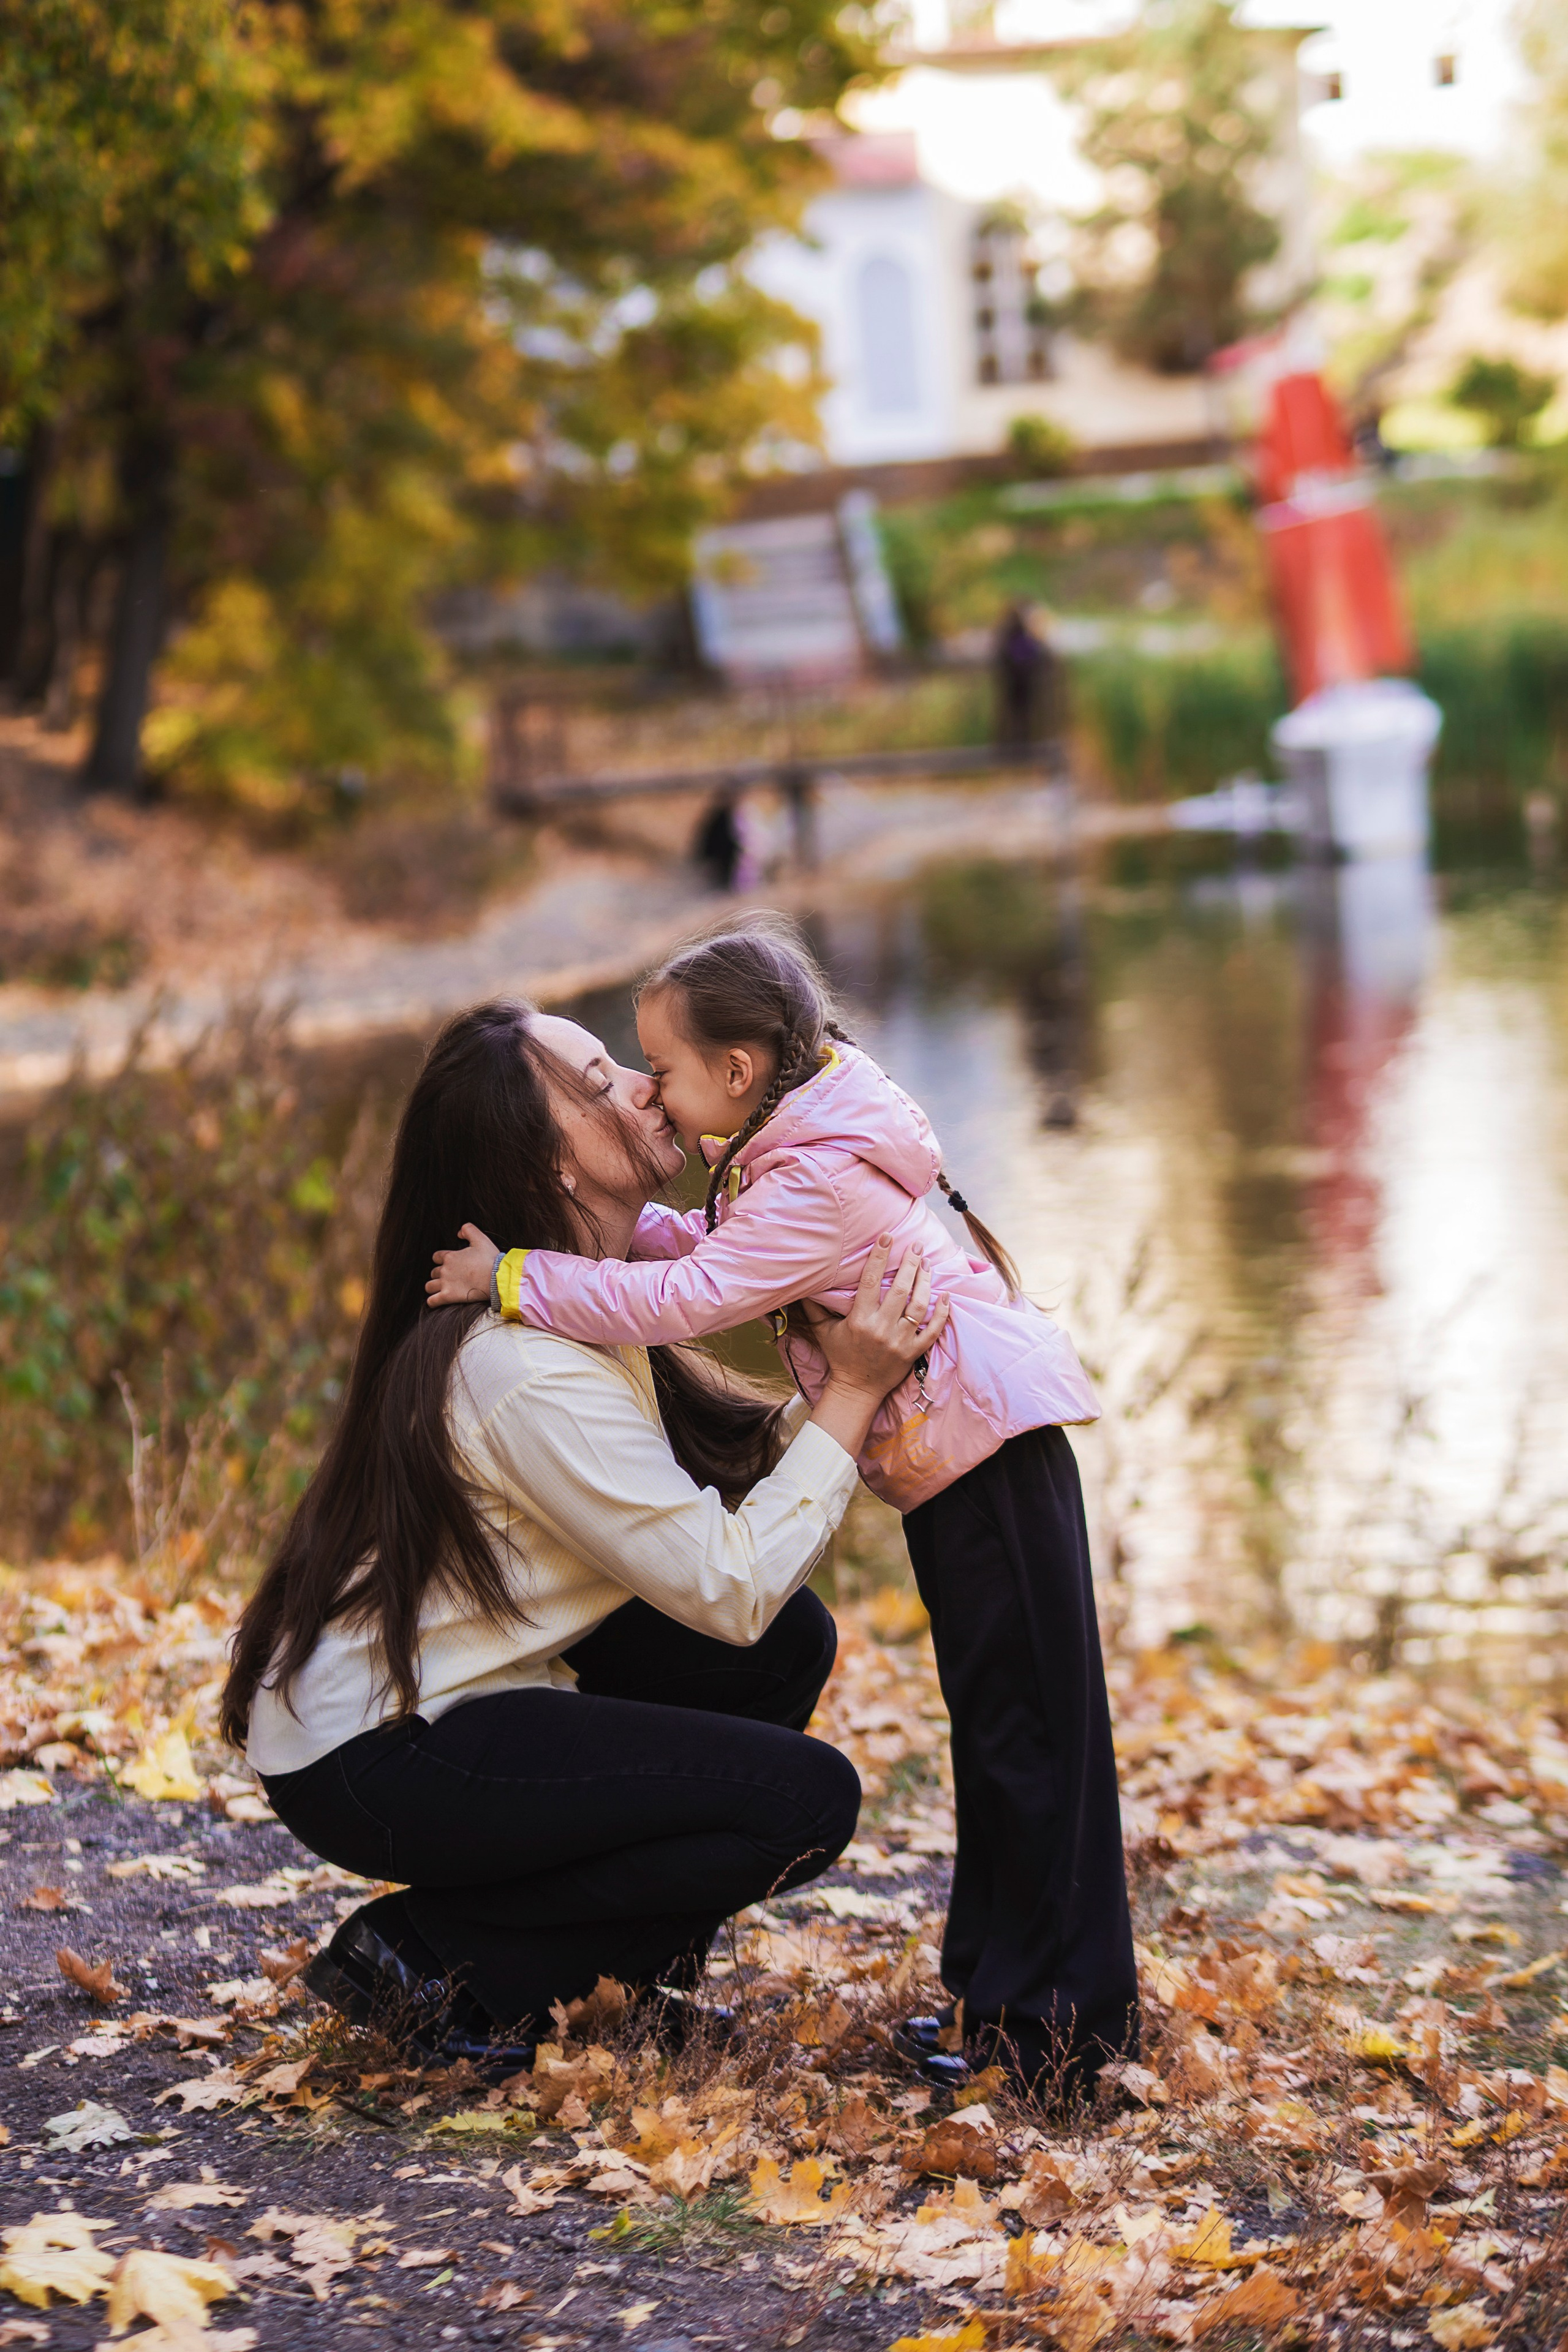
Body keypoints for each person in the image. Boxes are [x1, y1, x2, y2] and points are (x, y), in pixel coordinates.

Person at [427, 924, 1139, 2102]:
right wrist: (586, 1245)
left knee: (1034, 1737)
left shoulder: (808, 1171)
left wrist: (515, 1279)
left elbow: (698, 1294)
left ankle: (1053, 2037)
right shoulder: (797, 1146)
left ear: (740, 1075)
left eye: (662, 1069)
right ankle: (1005, 2004)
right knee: (1005, 1727)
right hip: (969, 1455)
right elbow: (713, 1251)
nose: (650, 1091)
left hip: (995, 1459)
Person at [220, 998, 944, 2071]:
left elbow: (713, 1524)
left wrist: (856, 1372)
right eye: (601, 1082)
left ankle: (612, 1980)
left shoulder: (586, 1313)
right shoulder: (525, 1367)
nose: (649, 1085)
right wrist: (850, 1396)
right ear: (546, 1163)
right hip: (376, 1753)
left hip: (468, 1687)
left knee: (789, 1644)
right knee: (802, 1803)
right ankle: (432, 1954)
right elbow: (728, 1583)